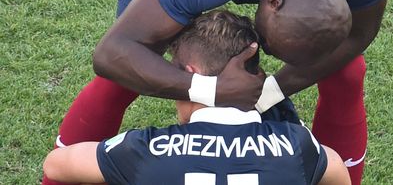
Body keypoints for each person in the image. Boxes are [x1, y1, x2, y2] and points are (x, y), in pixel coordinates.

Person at [43, 0, 390, 184]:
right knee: (129, 69)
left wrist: (271, 90)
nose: (265, 58)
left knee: (346, 70)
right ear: (272, 1)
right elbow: (112, 52)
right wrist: (210, 89)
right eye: (268, 46)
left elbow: (357, 36)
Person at [43, 10, 350, 185]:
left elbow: (56, 165)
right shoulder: (298, 145)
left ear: (188, 74)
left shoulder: (143, 150)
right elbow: (337, 171)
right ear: (255, 74)